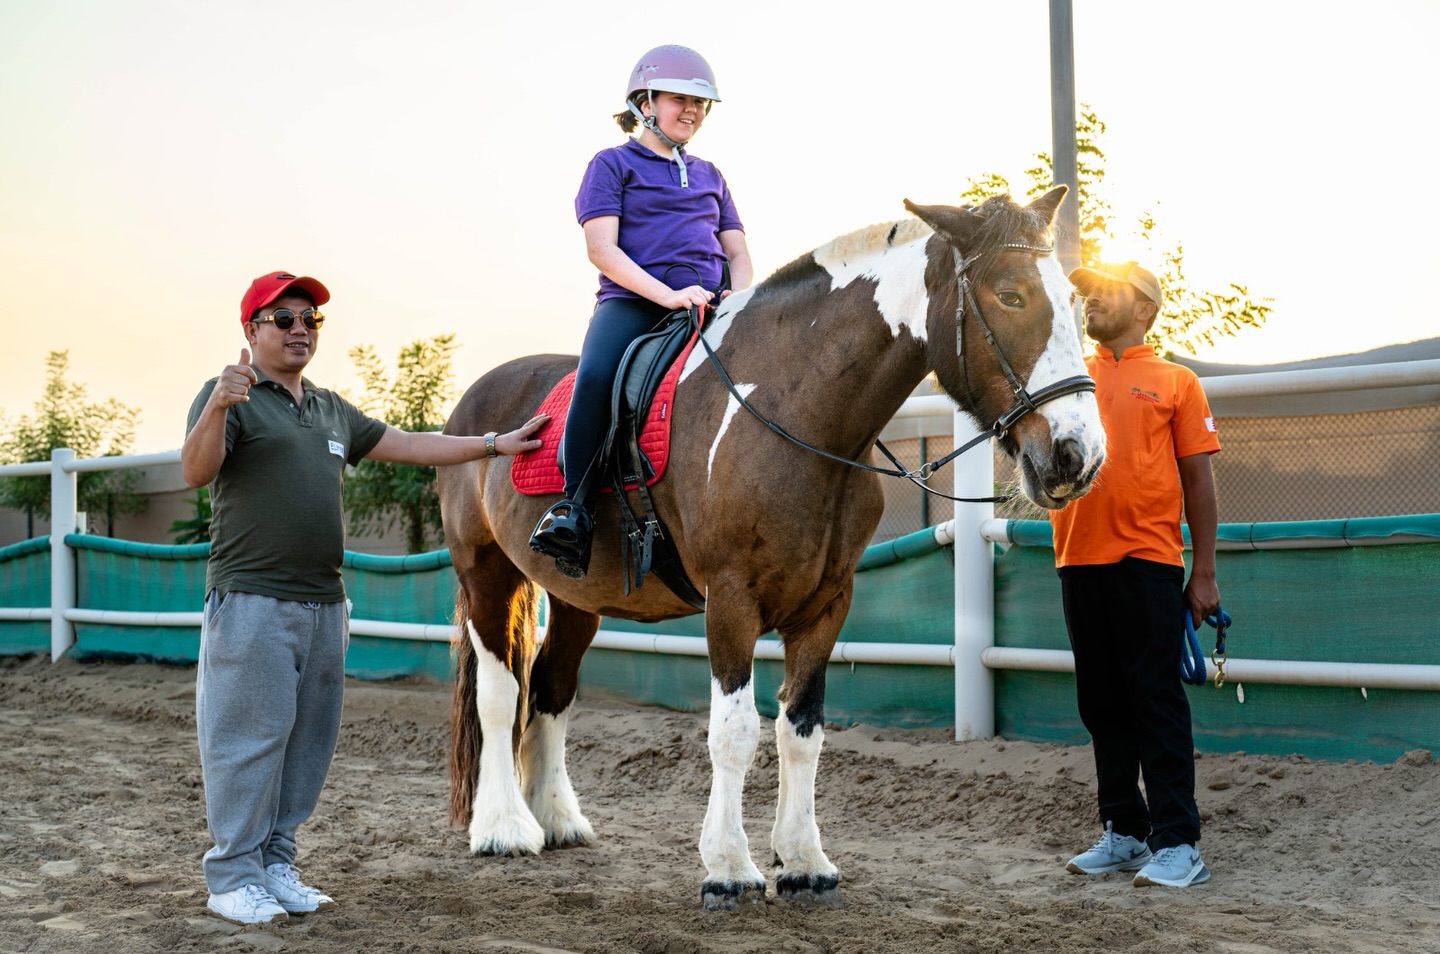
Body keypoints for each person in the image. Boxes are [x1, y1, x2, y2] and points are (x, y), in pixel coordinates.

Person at [182, 270, 546, 925]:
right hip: (252, 601)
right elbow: (195, 470)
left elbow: (410, 445)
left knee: (306, 744)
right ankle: (232, 877)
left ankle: (276, 864)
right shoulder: (231, 395)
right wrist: (217, 407)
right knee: (247, 742)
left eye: (310, 319)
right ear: (251, 330)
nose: (300, 329)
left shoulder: (330, 409)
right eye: (284, 319)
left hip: (325, 603)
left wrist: (495, 444)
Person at [528, 44, 753, 579]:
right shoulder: (611, 164)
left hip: (712, 305)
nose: (692, 111)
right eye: (680, 99)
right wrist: (668, 295)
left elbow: (738, 253)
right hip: (633, 303)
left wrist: (740, 296)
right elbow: (602, 249)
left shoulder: (711, 174)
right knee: (598, 375)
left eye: (700, 103)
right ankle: (573, 510)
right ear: (645, 104)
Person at [1048, 261, 1221, 889]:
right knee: (1100, 704)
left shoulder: (1177, 382)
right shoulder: (1068, 377)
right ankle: (1125, 830)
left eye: (1107, 290)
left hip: (1148, 561)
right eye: (1089, 291)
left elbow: (1199, 481)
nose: (1092, 298)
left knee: (1156, 701)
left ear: (1145, 309)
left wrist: (1203, 573)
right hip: (1076, 559)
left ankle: (1178, 843)